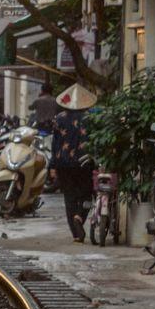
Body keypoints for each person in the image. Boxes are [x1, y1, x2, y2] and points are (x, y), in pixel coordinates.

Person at [48, 84, 98, 242]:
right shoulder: (91, 118)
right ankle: (80, 217)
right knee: (87, 194)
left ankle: (76, 234)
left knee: (69, 196)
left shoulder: (59, 119)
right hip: (84, 162)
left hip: (63, 163)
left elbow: (55, 144)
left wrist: (52, 166)